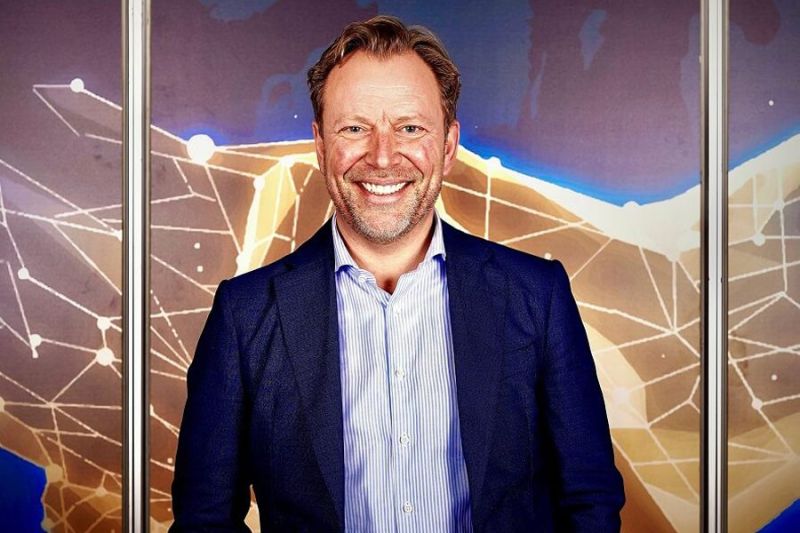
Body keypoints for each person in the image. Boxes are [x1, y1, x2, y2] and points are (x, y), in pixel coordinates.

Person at [171, 15, 624, 532]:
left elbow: (590, 501)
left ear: (448, 146)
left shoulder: (537, 296)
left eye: (410, 128)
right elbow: (204, 521)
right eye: (354, 128)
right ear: (320, 144)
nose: (383, 156)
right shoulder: (245, 314)